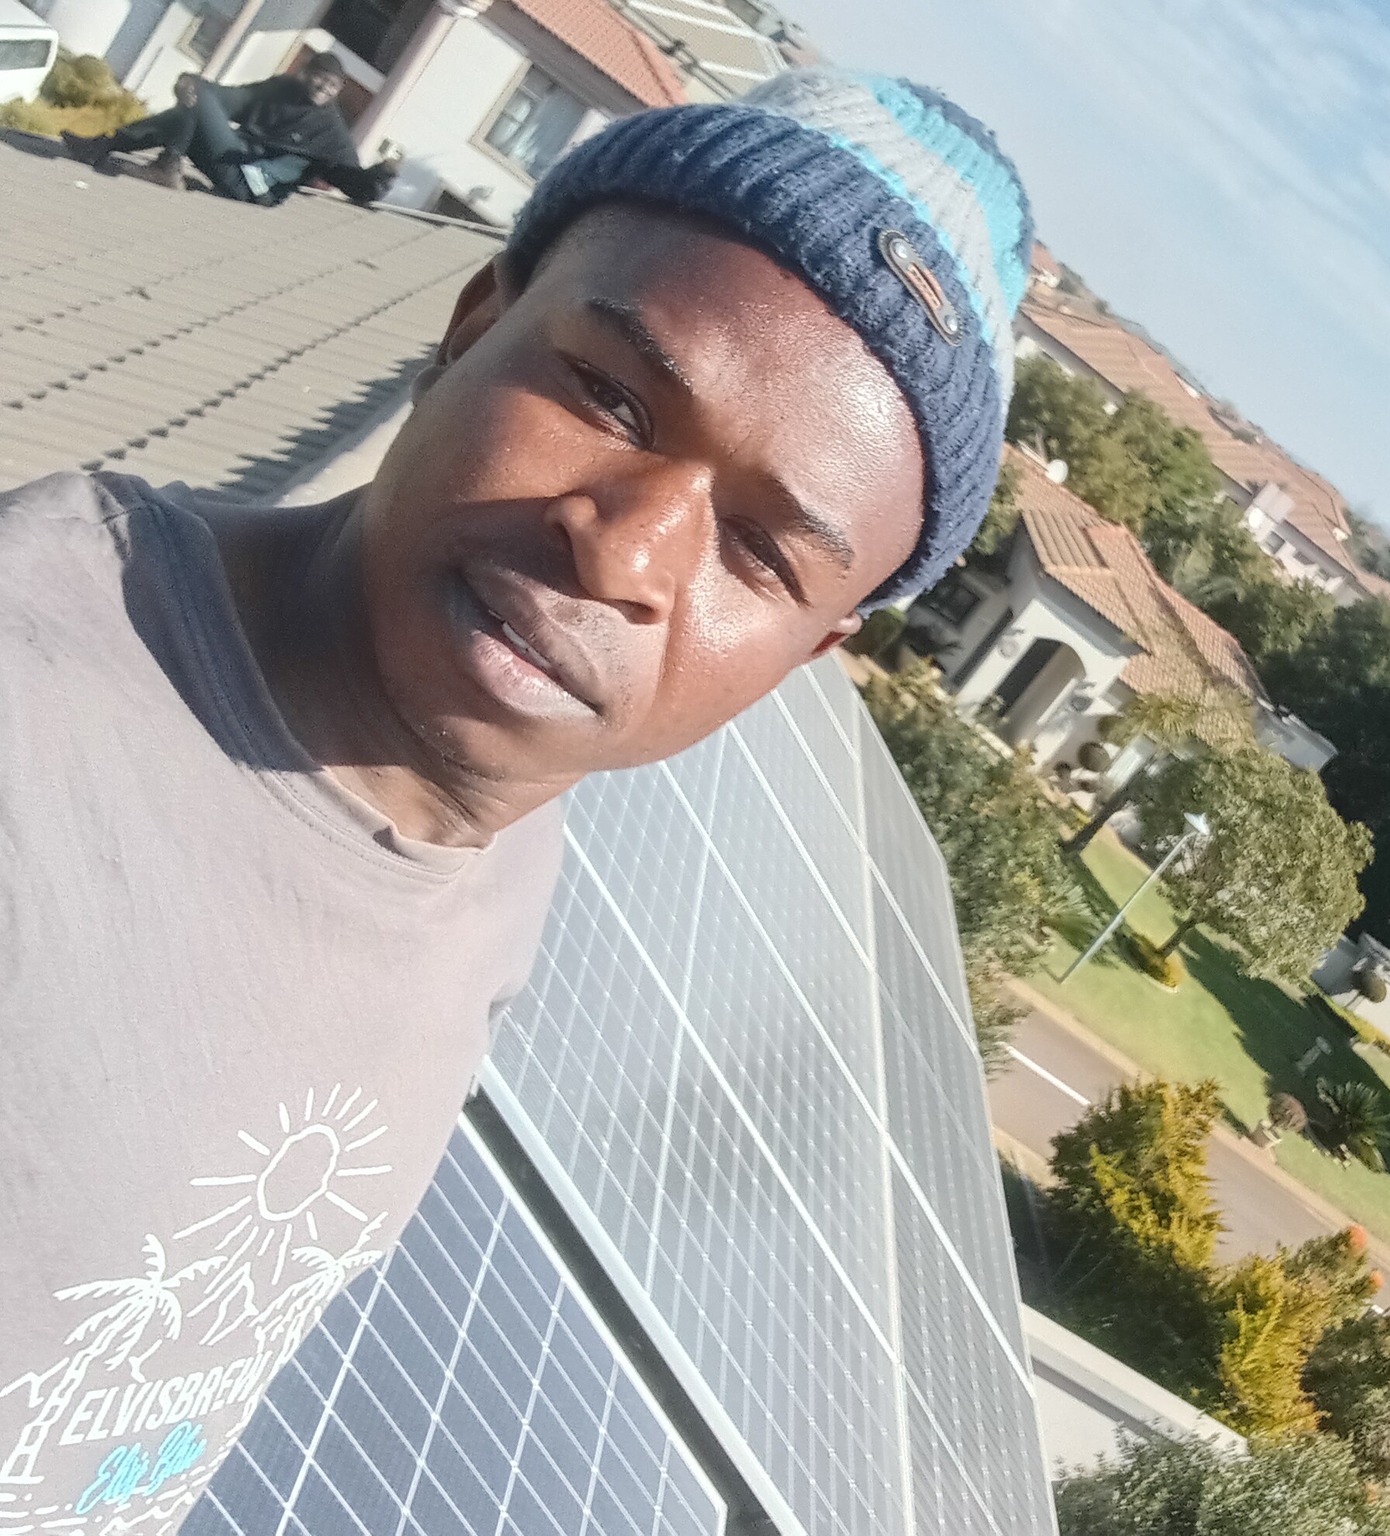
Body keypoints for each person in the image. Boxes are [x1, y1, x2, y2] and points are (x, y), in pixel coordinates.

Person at [0, 68, 1031, 1533]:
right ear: (470, 325)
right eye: (611, 397)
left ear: (809, 654)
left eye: (758, 553)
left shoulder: (506, 854)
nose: (626, 552)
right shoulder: (34, 713)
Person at [60, 52, 393, 203]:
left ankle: (166, 168)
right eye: (320, 78)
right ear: (305, 74)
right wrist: (189, 83)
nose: (323, 87)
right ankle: (101, 147)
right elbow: (229, 98)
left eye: (332, 85)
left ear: (338, 90)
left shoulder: (331, 132)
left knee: (196, 101)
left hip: (253, 185)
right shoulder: (279, 88)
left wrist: (383, 176)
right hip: (228, 160)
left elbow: (356, 183)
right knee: (190, 105)